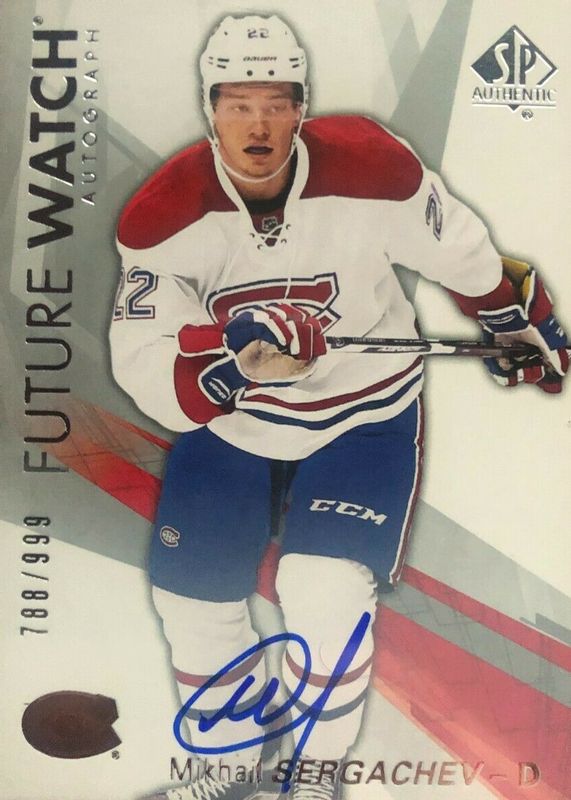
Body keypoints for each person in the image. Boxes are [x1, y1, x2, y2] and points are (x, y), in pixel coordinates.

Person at [109, 14, 568, 800]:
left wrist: (509, 320)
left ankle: (313, 775)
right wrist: (231, 371)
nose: (257, 124)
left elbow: (457, 247)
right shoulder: (161, 215)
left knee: (322, 592)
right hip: (236, 426)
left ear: (301, 108)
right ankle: (225, 767)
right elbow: (146, 361)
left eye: (275, 103)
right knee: (191, 599)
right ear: (210, 108)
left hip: (364, 417)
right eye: (237, 104)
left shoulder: (369, 163)